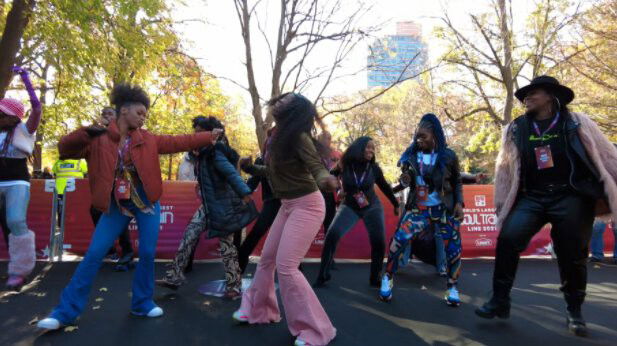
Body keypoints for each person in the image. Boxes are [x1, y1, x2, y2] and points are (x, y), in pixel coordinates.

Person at [36, 84, 220, 330]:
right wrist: (89, 130)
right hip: (116, 205)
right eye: (140, 112)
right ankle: (64, 313)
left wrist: (209, 136)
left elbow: (179, 141)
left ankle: (142, 303)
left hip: (146, 202)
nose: (144, 117)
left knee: (146, 252)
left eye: (145, 114)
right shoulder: (97, 138)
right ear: (124, 111)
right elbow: (64, 149)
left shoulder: (148, 139)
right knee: (93, 254)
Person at [474, 76, 617, 337]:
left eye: (533, 93)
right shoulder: (516, 128)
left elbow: (607, 154)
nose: (526, 98)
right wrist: (502, 202)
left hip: (571, 195)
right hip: (533, 197)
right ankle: (499, 300)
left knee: (572, 255)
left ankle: (574, 311)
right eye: (525, 95)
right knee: (508, 238)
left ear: (551, 96)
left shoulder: (576, 122)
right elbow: (505, 169)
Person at [232, 93, 338, 346]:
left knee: (287, 267)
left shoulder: (300, 138)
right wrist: (250, 169)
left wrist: (325, 178)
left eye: (286, 101)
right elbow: (273, 171)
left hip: (308, 206)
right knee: (266, 260)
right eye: (279, 99)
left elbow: (316, 166)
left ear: (294, 111)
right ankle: (260, 310)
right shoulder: (277, 136)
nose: (278, 102)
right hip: (288, 205)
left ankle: (316, 330)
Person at [157, 116, 255, 300]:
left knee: (226, 245)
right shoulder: (202, 154)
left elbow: (230, 172)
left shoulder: (214, 152)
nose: (195, 135)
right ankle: (174, 276)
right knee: (189, 234)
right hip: (208, 205)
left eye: (199, 132)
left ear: (209, 134)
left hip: (223, 207)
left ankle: (234, 286)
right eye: (195, 132)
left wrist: (244, 191)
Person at [379, 113, 464, 307]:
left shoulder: (448, 156)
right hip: (419, 208)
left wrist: (459, 202)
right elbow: (405, 175)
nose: (419, 140)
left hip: (444, 209)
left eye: (423, 136)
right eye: (417, 136)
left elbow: (457, 180)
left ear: (435, 135)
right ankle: (388, 277)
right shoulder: (410, 155)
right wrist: (404, 180)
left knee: (454, 249)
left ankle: (452, 287)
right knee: (398, 241)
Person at [314, 136, 399, 288]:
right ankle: (323, 274)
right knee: (331, 235)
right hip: (349, 206)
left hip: (372, 207)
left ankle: (375, 277)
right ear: (359, 148)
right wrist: (338, 186)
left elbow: (385, 187)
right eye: (368, 147)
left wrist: (395, 203)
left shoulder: (374, 169)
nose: (371, 150)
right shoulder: (345, 165)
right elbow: (332, 174)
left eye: (373, 148)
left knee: (379, 241)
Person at [0, 66, 42, 290]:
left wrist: (26, 79)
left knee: (16, 221)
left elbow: (36, 108)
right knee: (8, 226)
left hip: (16, 182)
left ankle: (21, 269)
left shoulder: (25, 130)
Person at [89, 106, 134, 269]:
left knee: (119, 213)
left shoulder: (124, 133)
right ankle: (111, 249)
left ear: (116, 118)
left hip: (122, 180)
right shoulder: (98, 135)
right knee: (95, 210)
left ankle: (127, 253)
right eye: (104, 114)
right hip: (104, 181)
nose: (106, 116)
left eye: (110, 114)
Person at [237, 127, 282, 273]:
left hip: (289, 204)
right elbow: (252, 183)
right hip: (271, 203)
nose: (271, 140)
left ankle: (295, 273)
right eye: (270, 137)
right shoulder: (261, 160)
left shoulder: (288, 160)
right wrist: (241, 192)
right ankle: (237, 271)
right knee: (255, 234)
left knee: (287, 240)